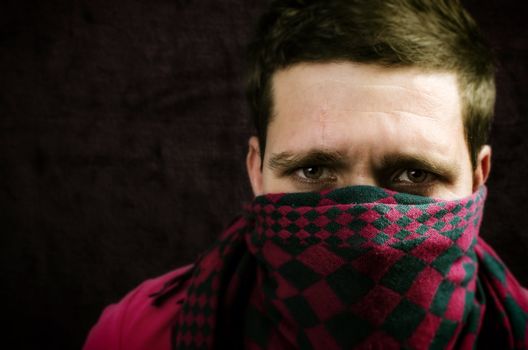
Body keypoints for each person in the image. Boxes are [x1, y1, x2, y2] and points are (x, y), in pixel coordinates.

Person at [84, 0, 528, 349]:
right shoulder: (136, 335)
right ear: (257, 172)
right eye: (313, 170)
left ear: (477, 175)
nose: (369, 230)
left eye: (414, 173)